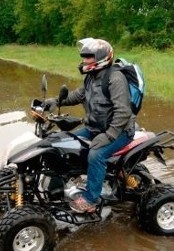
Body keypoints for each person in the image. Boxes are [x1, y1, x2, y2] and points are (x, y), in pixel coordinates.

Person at [46, 38, 135, 213]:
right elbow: (77, 96)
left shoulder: (115, 78)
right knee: (66, 143)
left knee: (96, 154)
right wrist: (55, 101)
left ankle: (90, 199)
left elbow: (123, 112)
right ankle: (76, 178)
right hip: (94, 127)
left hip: (120, 131)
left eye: (89, 57)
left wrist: (108, 135)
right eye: (84, 57)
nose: (84, 61)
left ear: (101, 58)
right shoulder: (91, 77)